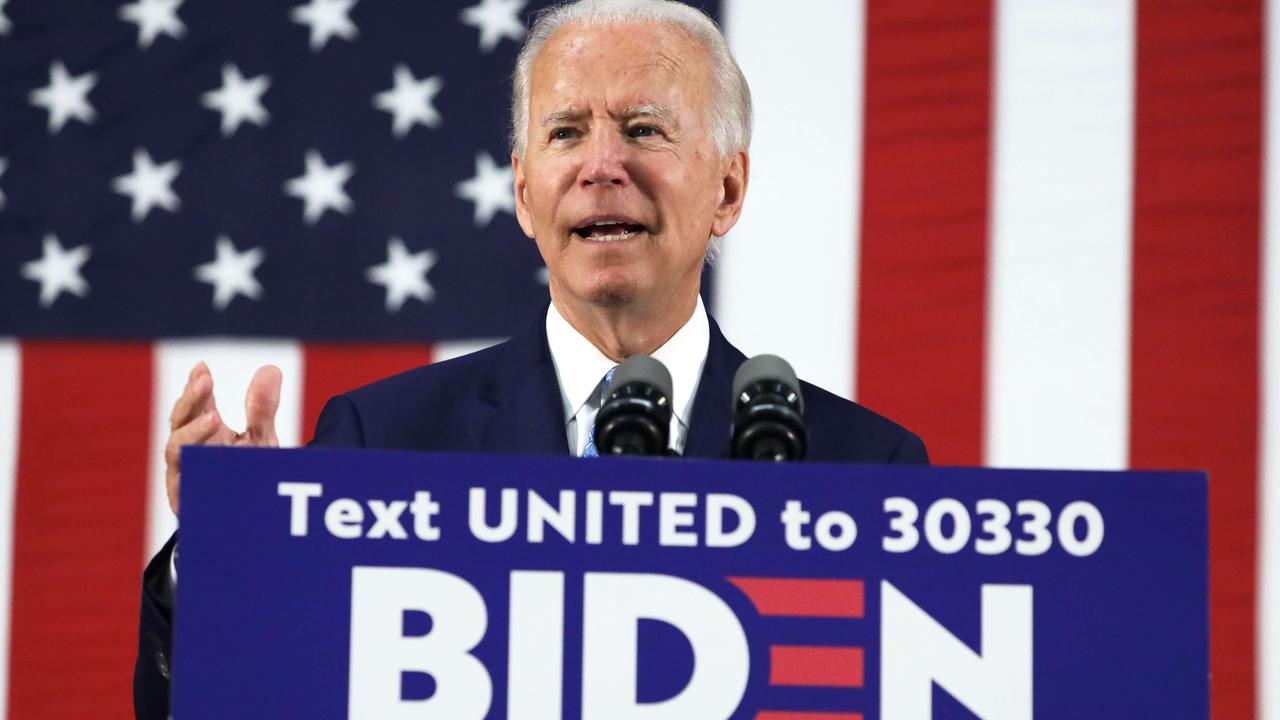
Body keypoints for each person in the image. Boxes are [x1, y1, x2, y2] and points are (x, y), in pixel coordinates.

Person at [134, 1, 928, 717]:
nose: (601, 165)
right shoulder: (384, 444)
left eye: (644, 128)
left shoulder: (865, 464)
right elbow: (251, 697)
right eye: (566, 132)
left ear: (727, 187)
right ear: (523, 192)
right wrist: (234, 550)